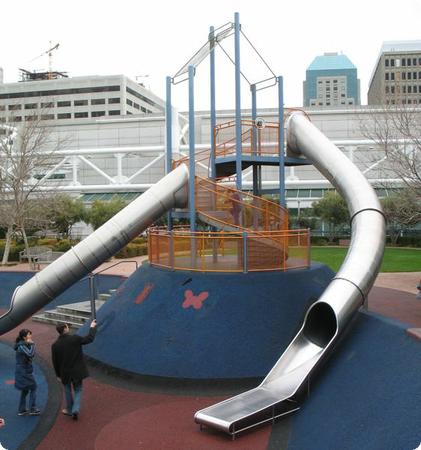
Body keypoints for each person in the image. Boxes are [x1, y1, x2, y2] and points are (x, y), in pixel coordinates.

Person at [51, 320, 97, 421]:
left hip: (64, 372)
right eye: (67, 326)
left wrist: (58, 375)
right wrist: (92, 327)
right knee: (78, 389)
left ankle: (69, 409)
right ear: (65, 329)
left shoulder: (55, 345)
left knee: (67, 390)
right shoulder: (75, 339)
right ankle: (75, 409)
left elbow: (55, 362)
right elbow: (89, 339)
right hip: (77, 371)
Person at [14, 329, 41, 416]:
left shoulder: (23, 344)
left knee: (25, 390)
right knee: (33, 387)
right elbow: (30, 354)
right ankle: (32, 408)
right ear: (24, 337)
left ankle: (21, 410)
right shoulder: (22, 346)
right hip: (24, 372)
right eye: (29, 335)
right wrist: (32, 344)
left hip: (23, 371)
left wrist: (30, 344)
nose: (31, 336)